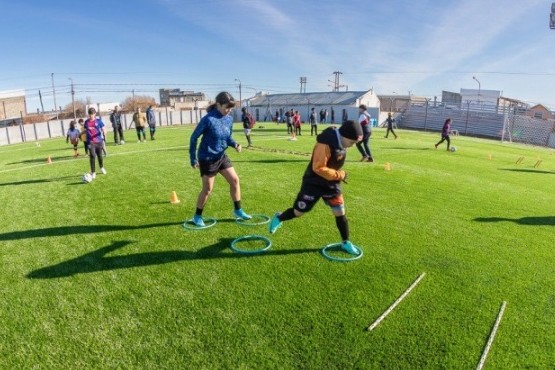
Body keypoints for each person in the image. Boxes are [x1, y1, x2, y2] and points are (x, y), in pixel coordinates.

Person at [269, 120, 363, 255]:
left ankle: (346, 242)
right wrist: (339, 174)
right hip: (314, 183)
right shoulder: (324, 143)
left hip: (331, 183)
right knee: (298, 212)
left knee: (340, 212)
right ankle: (279, 217)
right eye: (352, 142)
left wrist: (336, 176)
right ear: (343, 136)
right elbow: (318, 168)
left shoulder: (341, 142)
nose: (352, 146)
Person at [188, 91, 251, 227]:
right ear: (218, 104)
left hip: (221, 156)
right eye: (226, 107)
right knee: (207, 189)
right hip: (207, 157)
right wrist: (193, 158)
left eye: (231, 108)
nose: (228, 111)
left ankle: (238, 210)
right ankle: (197, 216)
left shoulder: (228, 119)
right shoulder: (208, 119)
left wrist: (235, 144)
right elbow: (194, 137)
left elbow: (227, 137)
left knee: (235, 180)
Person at [83, 107, 107, 179]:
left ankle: (101, 167)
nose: (91, 116)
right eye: (90, 114)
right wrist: (80, 134)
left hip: (99, 141)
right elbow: (86, 130)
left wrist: (104, 133)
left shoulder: (99, 121)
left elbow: (104, 129)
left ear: (95, 114)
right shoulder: (86, 122)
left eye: (92, 114)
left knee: (100, 156)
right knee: (92, 155)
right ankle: (93, 172)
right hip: (90, 142)